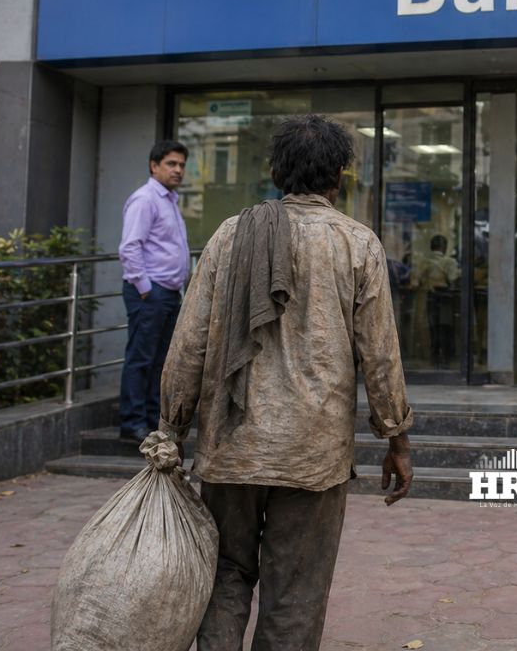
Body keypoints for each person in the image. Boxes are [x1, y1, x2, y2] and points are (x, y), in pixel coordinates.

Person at [158, 115, 414, 648]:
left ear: (276, 172)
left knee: (224, 577)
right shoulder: (357, 244)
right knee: (296, 591)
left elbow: (188, 344)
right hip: (313, 453)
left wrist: (171, 429)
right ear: (338, 178)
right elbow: (381, 356)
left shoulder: (231, 235)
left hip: (231, 444)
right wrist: (397, 439)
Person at [117, 140, 190, 444]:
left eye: (182, 165)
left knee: (161, 360)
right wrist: (145, 289)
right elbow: (130, 247)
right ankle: (131, 422)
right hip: (151, 293)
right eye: (172, 164)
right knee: (141, 357)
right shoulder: (145, 199)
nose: (178, 170)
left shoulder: (169, 200)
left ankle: (149, 418)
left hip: (168, 293)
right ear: (154, 165)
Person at [419, 234, 460, 367]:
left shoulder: (423, 262)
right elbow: (453, 280)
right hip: (445, 298)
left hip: (430, 296)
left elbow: (418, 280)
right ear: (444, 247)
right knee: (446, 327)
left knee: (433, 327)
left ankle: (434, 355)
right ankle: (447, 356)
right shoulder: (449, 262)